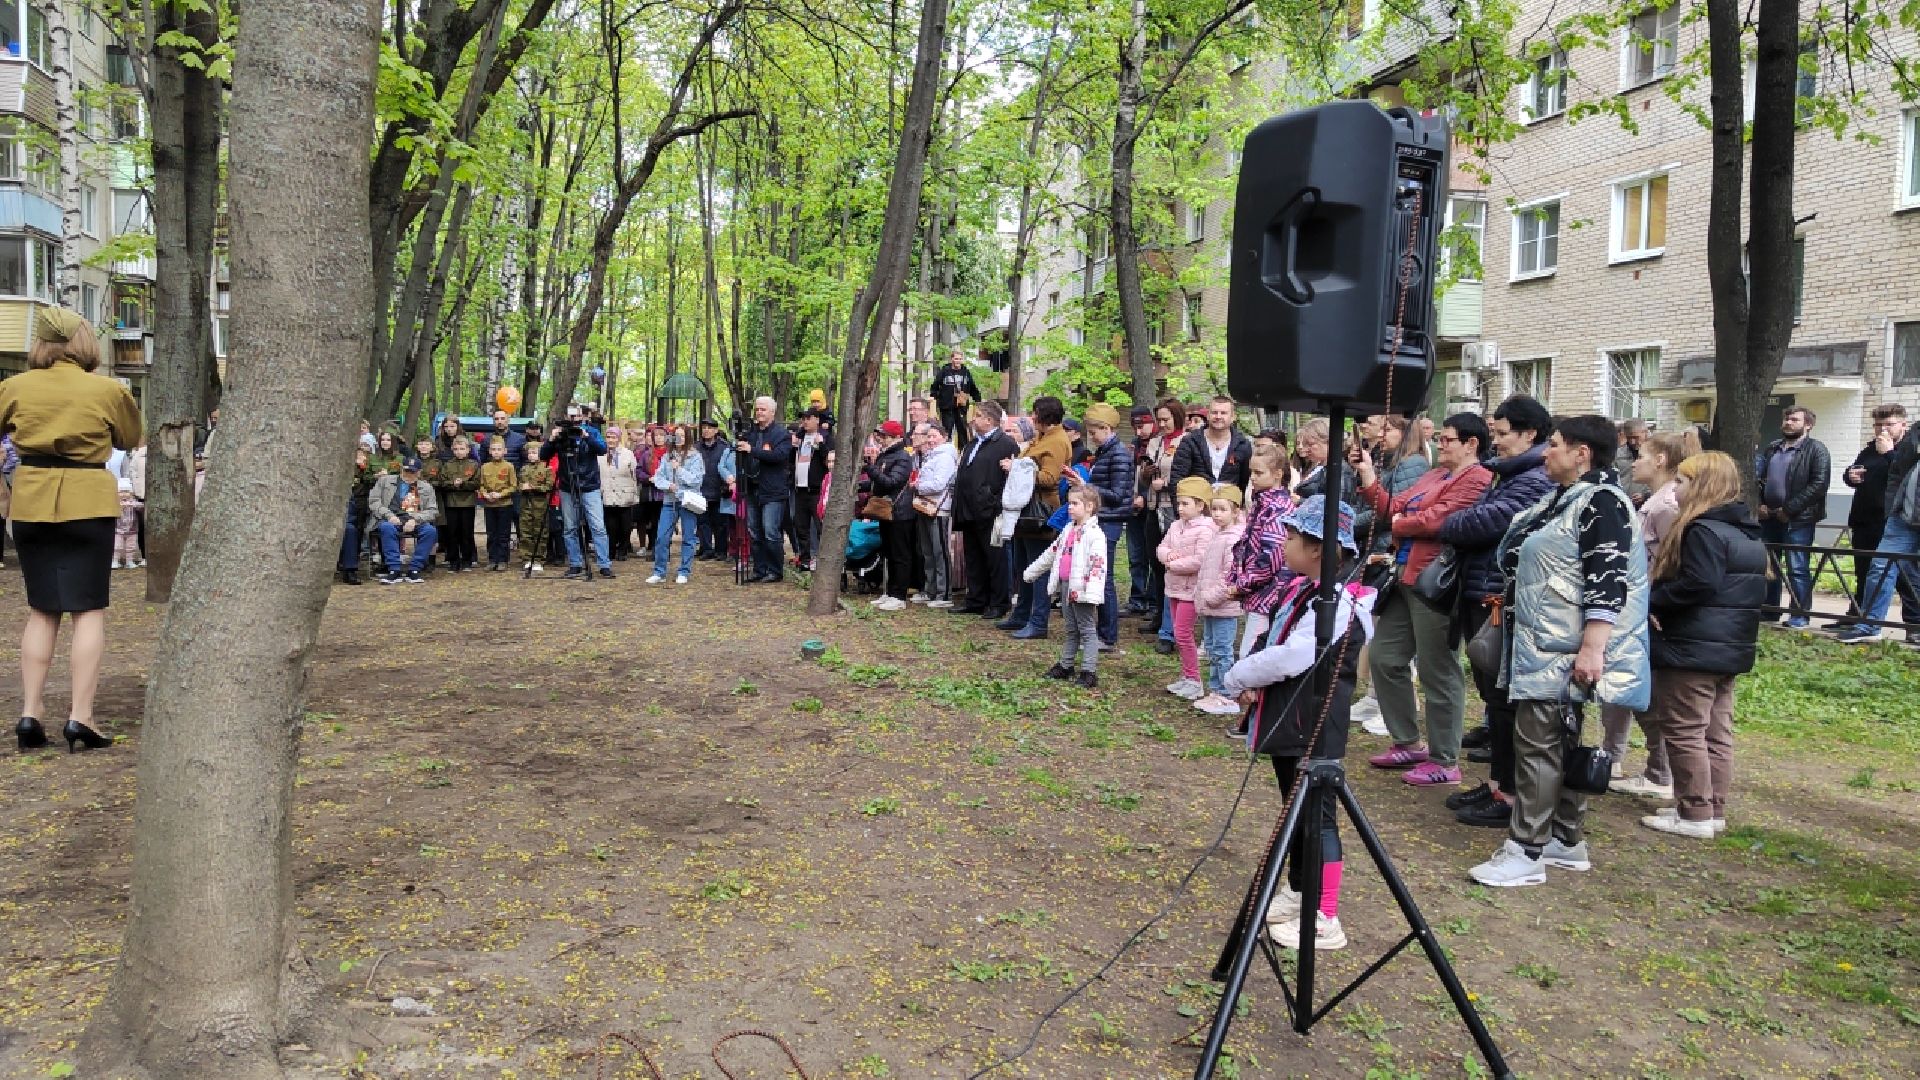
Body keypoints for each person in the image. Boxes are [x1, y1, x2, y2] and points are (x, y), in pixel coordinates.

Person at [1469, 415, 1650, 889]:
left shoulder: (1602, 503)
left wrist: (1594, 646)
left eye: (1554, 445)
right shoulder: (1567, 500)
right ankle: (1565, 842)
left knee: (1537, 747)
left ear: (1582, 453)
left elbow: (1607, 580)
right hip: (1544, 646)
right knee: (1555, 743)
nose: (1545, 452)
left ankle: (1525, 850)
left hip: (1561, 650)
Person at [1222, 494, 1376, 950]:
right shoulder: (1306, 590)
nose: (1282, 544)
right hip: (1291, 722)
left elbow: (1296, 654)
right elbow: (1276, 637)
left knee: (1318, 818)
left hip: (1314, 724)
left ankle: (1325, 914)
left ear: (1318, 549)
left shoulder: (1342, 603)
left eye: (1290, 538)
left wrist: (1239, 675)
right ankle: (1297, 890)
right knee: (1294, 812)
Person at [0, 307, 142, 754]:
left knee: (42, 608)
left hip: (31, 501)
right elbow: (129, 437)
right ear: (82, 342)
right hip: (87, 502)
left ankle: (31, 713)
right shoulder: (106, 389)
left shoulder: (13, 387)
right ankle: (81, 717)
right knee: (88, 610)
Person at [1355, 414, 1489, 786]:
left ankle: (1445, 759)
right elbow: (1392, 507)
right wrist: (1369, 477)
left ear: (1471, 444)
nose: (1440, 444)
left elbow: (1439, 520)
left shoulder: (1477, 477)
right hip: (1404, 576)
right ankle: (1408, 741)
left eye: (1447, 439)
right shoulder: (1435, 474)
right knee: (1385, 657)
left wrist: (1400, 521)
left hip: (1437, 582)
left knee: (1438, 670)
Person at [1441, 396, 1554, 829]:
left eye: (1503, 434)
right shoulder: (1508, 475)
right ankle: (1496, 783)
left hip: (1498, 598)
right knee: (1493, 698)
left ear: (1529, 435)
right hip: (1482, 591)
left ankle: (1508, 793)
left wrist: (1453, 523)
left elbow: (1480, 523)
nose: (1496, 442)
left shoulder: (1533, 480)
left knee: (1504, 701)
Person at [1640, 452, 1766, 838]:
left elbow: (1699, 583)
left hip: (1692, 647)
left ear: (1703, 486)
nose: (1674, 488)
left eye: (1681, 480)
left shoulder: (1701, 530)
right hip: (1728, 647)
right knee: (1715, 732)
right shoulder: (1745, 531)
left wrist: (1654, 599)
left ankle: (1693, 813)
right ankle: (1712, 809)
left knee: (1684, 730)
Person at [1602, 429, 1692, 799]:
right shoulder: (1653, 501)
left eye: (1642, 455)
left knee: (1638, 691)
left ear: (1661, 460)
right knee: (1623, 688)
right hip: (1639, 604)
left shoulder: (1667, 505)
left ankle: (1657, 769)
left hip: (1648, 608)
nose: (1634, 460)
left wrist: (1656, 603)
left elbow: (1672, 561)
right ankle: (1614, 758)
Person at [1837, 405, 1919, 638]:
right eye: (1878, 425)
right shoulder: (1872, 448)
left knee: (1905, 575)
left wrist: (1888, 453)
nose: (1882, 429)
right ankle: (1863, 621)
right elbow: (1866, 471)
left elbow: (1903, 472)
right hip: (1873, 518)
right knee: (1872, 570)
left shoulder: (1901, 448)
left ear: (1902, 424)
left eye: (1889, 424)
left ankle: (1914, 624)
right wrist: (1850, 475)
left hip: (1896, 519)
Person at [1752, 406, 1830, 627]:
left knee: (1797, 567)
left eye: (1794, 420)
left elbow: (1819, 484)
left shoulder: (1817, 450)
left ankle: (1800, 614)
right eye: (1786, 419)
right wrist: (1760, 504)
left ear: (1808, 425)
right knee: (1769, 565)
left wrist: (1790, 509)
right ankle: (1769, 610)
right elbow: (1759, 479)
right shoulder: (1773, 448)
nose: (1788, 423)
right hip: (1769, 517)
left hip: (1798, 519)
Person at [1025, 486, 1109, 689]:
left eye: (1074, 503)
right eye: (1069, 503)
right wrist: (1032, 572)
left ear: (1089, 507)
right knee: (1071, 629)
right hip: (1065, 586)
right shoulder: (1068, 530)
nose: (1069, 507)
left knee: (1087, 630)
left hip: (1082, 591)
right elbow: (1052, 553)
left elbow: (1098, 565)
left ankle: (1089, 671)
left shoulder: (1095, 535)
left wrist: (1091, 593)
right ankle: (1066, 664)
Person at [1003, 397, 1071, 636]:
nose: (1032, 418)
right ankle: (1021, 615)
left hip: (1041, 512)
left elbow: (1049, 478)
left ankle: (1038, 622)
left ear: (1046, 417)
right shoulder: (1042, 438)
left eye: (1035, 414)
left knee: (1038, 568)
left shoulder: (1057, 442)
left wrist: (1017, 469)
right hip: (1026, 509)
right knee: (1023, 565)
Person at [1077, 403, 1137, 647]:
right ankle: (1100, 631)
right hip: (1102, 519)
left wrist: (1086, 487)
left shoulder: (1118, 454)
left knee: (1105, 578)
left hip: (1110, 521)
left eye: (1093, 432)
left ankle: (1107, 635)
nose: (1091, 437)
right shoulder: (1106, 452)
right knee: (1099, 576)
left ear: (1106, 427)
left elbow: (1117, 493)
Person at [951, 400, 1016, 618]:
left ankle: (998, 602)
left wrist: (994, 501)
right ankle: (976, 599)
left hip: (989, 510)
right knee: (973, 557)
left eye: (977, 415)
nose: (973, 419)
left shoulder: (1005, 444)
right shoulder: (972, 443)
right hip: (969, 509)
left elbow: (1010, 478)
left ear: (989, 420)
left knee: (994, 558)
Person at [1159, 477, 1219, 700]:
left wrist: (1173, 563)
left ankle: (1195, 680)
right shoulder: (1175, 526)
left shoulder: (1206, 529)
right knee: (1178, 632)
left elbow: (1201, 559)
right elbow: (1162, 547)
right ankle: (1187, 677)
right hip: (1174, 587)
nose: (1180, 508)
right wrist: (1167, 556)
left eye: (1186, 504)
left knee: (1183, 633)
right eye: (1179, 503)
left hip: (1192, 590)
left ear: (1200, 505)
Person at [1192, 484, 1247, 716]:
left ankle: (1227, 694)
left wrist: (1212, 596)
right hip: (1210, 605)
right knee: (1213, 648)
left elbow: (1230, 575)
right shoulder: (1218, 534)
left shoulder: (1234, 539)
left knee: (1223, 650)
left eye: (1222, 509)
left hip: (1224, 605)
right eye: (1214, 509)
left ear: (1235, 512)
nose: (1216, 514)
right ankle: (1216, 689)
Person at [550, 405, 613, 580]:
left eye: (578, 415)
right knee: (570, 527)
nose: (575, 418)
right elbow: (544, 455)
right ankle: (575, 564)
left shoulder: (592, 431)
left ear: (583, 416)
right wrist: (551, 440)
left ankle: (604, 565)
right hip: (567, 486)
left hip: (589, 485)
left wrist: (587, 437)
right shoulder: (561, 434)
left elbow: (602, 449)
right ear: (566, 416)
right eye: (571, 415)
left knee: (598, 526)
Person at [738, 396, 796, 583]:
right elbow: (743, 454)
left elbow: (779, 456)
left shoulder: (781, 434)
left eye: (763, 409)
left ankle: (775, 570)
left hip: (773, 491)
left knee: (771, 531)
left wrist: (752, 450)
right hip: (752, 488)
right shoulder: (751, 434)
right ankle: (759, 570)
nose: (759, 413)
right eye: (757, 409)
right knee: (754, 532)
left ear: (772, 412)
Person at [865, 420, 915, 609]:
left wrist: (870, 469)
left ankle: (899, 595)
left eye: (884, 436)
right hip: (887, 511)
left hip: (899, 512)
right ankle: (890, 591)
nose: (881, 439)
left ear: (896, 438)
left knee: (900, 554)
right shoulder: (886, 455)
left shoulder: (902, 457)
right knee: (889, 552)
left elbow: (891, 482)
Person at [646, 423, 705, 584]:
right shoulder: (667, 456)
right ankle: (659, 571)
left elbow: (696, 480)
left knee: (688, 537)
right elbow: (658, 477)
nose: (679, 439)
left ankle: (684, 571)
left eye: (683, 435)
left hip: (688, 501)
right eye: (677, 435)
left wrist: (679, 469)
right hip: (669, 501)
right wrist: (668, 485)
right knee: (662, 537)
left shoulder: (695, 456)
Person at [370, 457, 440, 585]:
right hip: (391, 517)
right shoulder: (385, 481)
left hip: (415, 518)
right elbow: (374, 502)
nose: (409, 475)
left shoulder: (426, 487)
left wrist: (415, 519)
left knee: (430, 531)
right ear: (402, 469)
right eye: (406, 471)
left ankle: (415, 569)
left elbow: (433, 510)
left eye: (412, 472)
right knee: (387, 528)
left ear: (419, 472)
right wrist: (389, 515)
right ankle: (394, 569)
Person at [911, 421, 957, 607]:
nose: (930, 440)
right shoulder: (931, 457)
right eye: (928, 436)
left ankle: (943, 593)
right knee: (927, 551)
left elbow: (939, 484)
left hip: (939, 509)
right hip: (925, 507)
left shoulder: (945, 457)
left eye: (934, 436)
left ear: (943, 437)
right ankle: (930, 590)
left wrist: (919, 487)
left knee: (940, 552)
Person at [1170, 395, 1253, 491]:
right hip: (1197, 503)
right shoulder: (1190, 441)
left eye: (1223, 413)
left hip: (1229, 503)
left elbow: (1245, 482)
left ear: (1233, 417)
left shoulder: (1243, 445)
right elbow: (1177, 479)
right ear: (1208, 415)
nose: (1218, 416)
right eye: (1214, 412)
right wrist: (1180, 505)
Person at [435, 436, 481, 572]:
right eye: (456, 449)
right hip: (451, 503)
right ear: (452, 450)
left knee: (466, 532)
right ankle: (453, 560)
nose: (459, 451)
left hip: (468, 503)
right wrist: (452, 484)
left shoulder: (474, 464)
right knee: (452, 533)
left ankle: (467, 560)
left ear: (468, 450)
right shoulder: (448, 465)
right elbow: (442, 482)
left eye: (462, 449)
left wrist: (463, 484)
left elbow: (477, 482)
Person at [792, 408, 828, 570]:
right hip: (800, 489)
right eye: (803, 418)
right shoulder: (799, 438)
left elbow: (828, 461)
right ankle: (805, 559)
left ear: (817, 420)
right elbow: (789, 461)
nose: (805, 421)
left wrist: (821, 445)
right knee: (801, 526)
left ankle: (822, 559)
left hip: (816, 490)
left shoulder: (825, 437)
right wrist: (793, 447)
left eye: (808, 418)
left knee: (820, 526)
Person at [599, 425, 640, 561]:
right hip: (608, 492)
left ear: (619, 438)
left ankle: (623, 549)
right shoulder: (601, 454)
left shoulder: (627, 453)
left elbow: (634, 473)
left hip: (625, 492)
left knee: (625, 525)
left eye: (614, 437)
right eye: (608, 437)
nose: (611, 440)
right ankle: (610, 550)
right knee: (610, 525)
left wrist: (634, 492)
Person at [695, 418, 733, 560]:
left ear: (716, 430)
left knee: (721, 523)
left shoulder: (725, 447)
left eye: (710, 428)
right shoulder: (696, 447)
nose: (706, 430)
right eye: (704, 427)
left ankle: (721, 550)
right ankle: (706, 549)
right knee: (702, 522)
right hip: (701, 490)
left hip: (720, 491)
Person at [477, 438, 518, 571]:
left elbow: (513, 486)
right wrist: (485, 494)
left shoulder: (509, 467)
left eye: (499, 449)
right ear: (489, 451)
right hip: (489, 505)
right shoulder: (484, 467)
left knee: (503, 534)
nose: (496, 452)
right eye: (493, 449)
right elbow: (481, 485)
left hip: (504, 504)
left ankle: (502, 560)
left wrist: (501, 494)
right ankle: (492, 559)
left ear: (504, 451)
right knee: (491, 533)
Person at [338, 446, 374, 585]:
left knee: (350, 529)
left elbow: (351, 510)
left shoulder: (347, 488)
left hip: (342, 519)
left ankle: (349, 571)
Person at [517, 434, 553, 573]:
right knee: (525, 531)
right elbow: (518, 484)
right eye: (529, 453)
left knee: (540, 532)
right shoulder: (524, 468)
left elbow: (549, 486)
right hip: (525, 504)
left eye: (534, 452)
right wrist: (522, 487)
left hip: (540, 505)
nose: (531, 455)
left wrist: (533, 487)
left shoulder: (546, 467)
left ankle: (538, 558)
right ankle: (527, 558)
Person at [929, 349, 981, 439]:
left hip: (961, 407)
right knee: (947, 430)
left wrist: (978, 400)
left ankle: (963, 450)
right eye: (956, 359)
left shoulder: (966, 372)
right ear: (952, 359)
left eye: (960, 359)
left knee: (963, 431)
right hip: (947, 407)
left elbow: (972, 387)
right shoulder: (944, 371)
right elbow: (935, 386)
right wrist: (936, 398)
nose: (958, 361)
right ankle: (947, 448)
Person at [634, 426, 668, 558]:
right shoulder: (647, 454)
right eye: (656, 436)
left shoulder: (671, 454)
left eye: (661, 435)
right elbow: (638, 471)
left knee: (666, 524)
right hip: (652, 494)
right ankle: (655, 549)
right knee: (654, 524)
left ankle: (665, 551)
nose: (659, 438)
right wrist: (648, 478)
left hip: (667, 494)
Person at [112, 478, 142, 569]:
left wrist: (132, 504)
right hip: (118, 529)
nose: (124, 494)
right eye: (121, 492)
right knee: (117, 546)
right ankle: (115, 561)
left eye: (126, 491)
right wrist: (121, 506)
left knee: (131, 546)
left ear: (131, 493)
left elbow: (141, 506)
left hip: (132, 529)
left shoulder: (133, 503)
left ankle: (130, 561)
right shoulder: (115, 503)